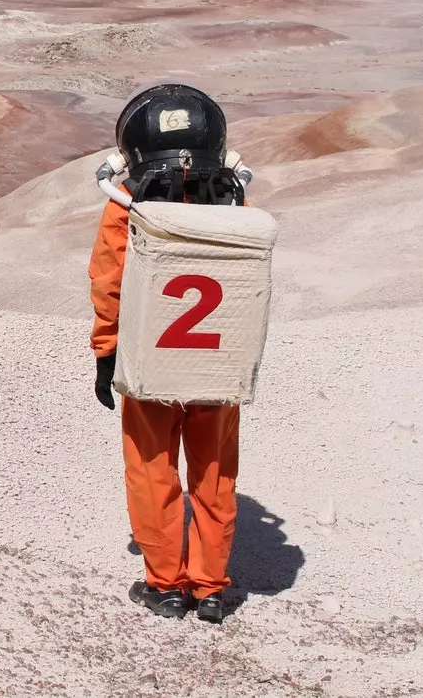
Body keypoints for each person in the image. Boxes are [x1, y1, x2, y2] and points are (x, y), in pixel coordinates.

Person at [88, 83, 250, 624]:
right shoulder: (234, 204)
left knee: (152, 467)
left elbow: (109, 282)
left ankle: (166, 585)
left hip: (149, 357)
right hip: (216, 359)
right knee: (215, 471)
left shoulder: (127, 208)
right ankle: (210, 588)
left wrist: (105, 353)